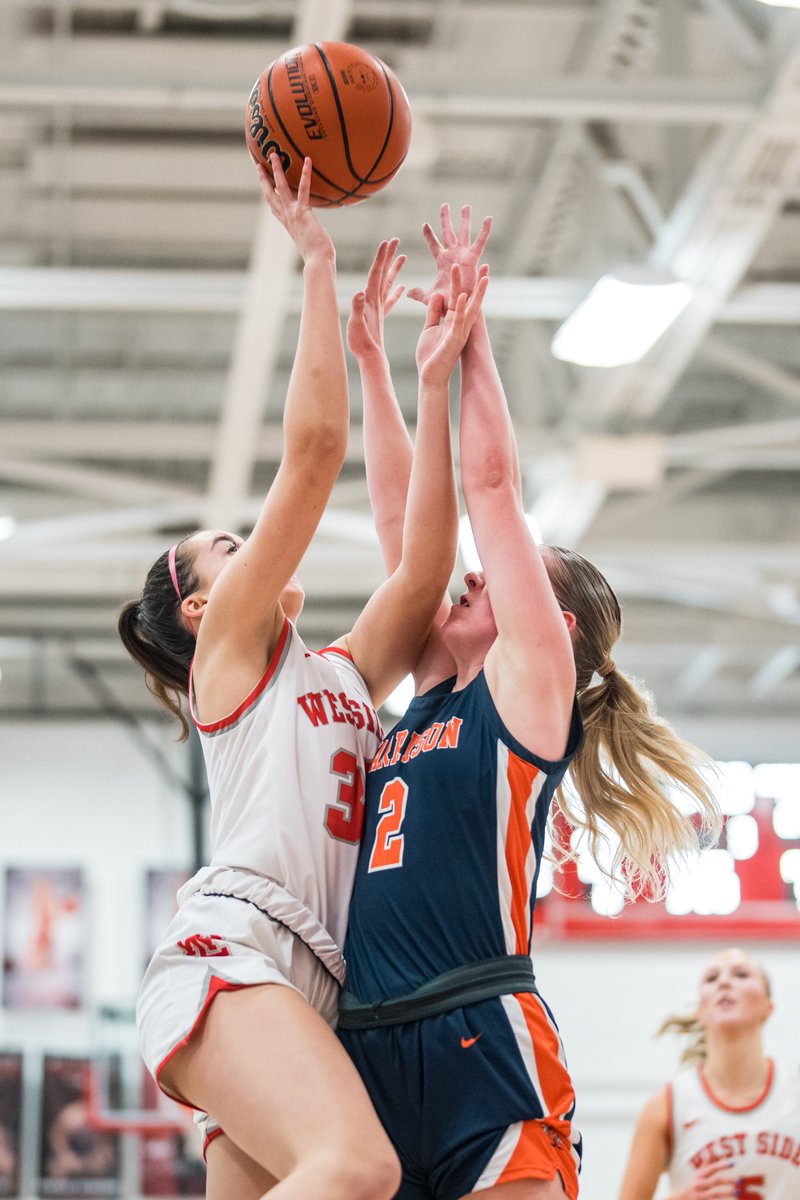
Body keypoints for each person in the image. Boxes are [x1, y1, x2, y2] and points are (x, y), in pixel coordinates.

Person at [118, 155, 488, 1200]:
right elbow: (314, 452)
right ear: (198, 606)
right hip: (233, 950)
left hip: (312, 988)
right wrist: (317, 265)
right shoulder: (230, 651)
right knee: (355, 1167)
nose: (251, 554)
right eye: (229, 547)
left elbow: (422, 572)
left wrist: (421, 379)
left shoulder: (333, 673)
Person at [337, 204, 723, 1200]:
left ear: (545, 616)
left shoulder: (523, 687)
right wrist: (377, 370)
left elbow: (491, 486)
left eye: (500, 578)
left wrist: (471, 345)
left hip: (478, 1034)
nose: (464, 580)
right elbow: (399, 521)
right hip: (365, 1040)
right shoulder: (429, 690)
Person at [618, 947, 800, 1200]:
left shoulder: (794, 1089)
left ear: (767, 1006)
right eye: (712, 978)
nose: (724, 982)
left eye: (741, 974)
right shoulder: (665, 1106)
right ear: (699, 1012)